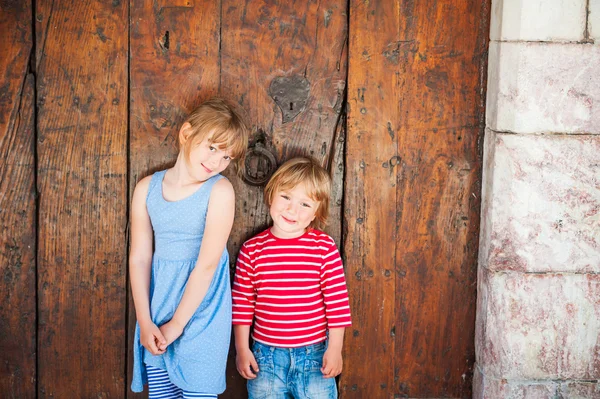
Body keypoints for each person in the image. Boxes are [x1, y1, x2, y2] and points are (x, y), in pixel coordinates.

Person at [129, 98, 248, 398]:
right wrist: (145, 320)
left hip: (202, 313)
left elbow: (207, 265)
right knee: (162, 393)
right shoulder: (146, 189)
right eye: (212, 148)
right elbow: (140, 258)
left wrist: (178, 324)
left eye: (226, 157)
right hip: (158, 310)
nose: (217, 162)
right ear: (186, 134)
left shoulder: (219, 191)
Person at [232, 157, 352, 399]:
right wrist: (242, 348)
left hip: (315, 357)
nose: (292, 210)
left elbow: (337, 303)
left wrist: (335, 348)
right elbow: (243, 304)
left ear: (317, 212)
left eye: (305, 204)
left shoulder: (323, 248)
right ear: (271, 195)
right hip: (265, 358)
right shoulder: (252, 250)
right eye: (286, 197)